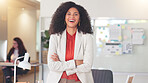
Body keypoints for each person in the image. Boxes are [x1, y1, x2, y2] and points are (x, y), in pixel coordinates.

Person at [47, 1, 94, 83]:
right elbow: (52, 65)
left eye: (76, 14)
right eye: (68, 14)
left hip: (79, 80)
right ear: (64, 17)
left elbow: (87, 66)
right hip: (58, 80)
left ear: (80, 18)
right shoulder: (55, 37)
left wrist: (63, 65)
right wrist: (75, 63)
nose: (72, 16)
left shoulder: (87, 37)